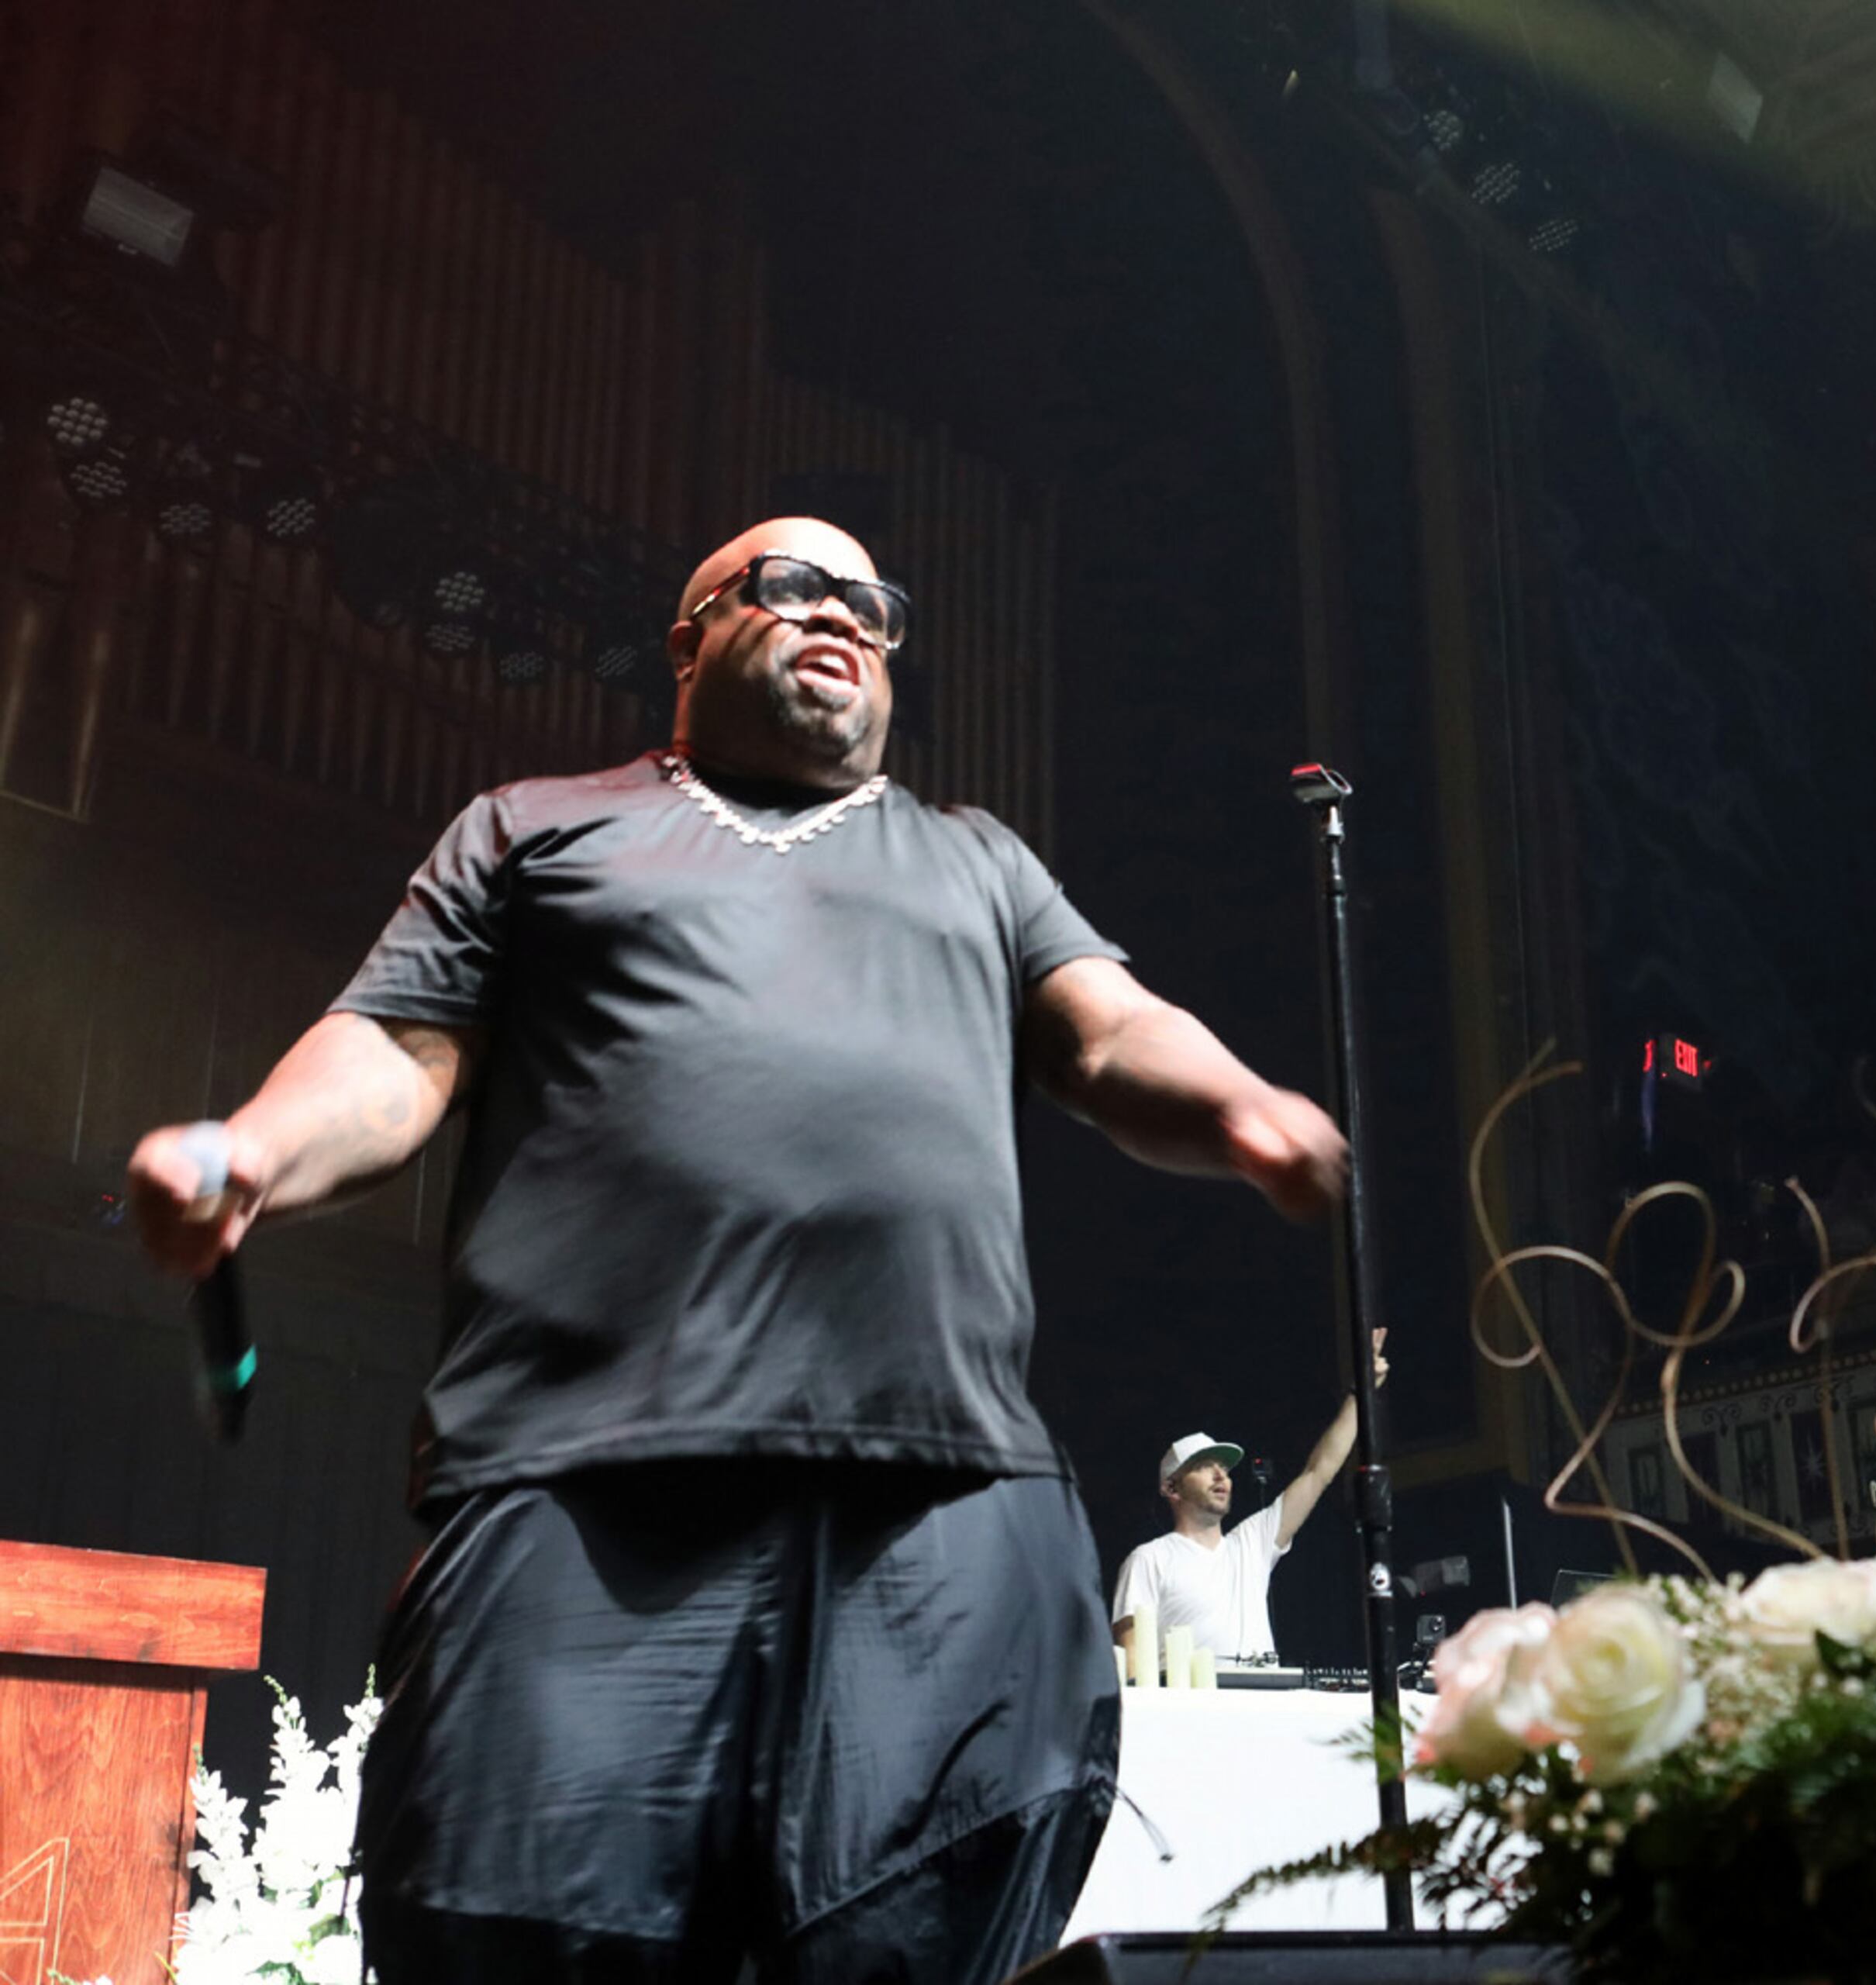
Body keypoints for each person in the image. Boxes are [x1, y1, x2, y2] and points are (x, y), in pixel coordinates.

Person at [122, 516, 1350, 1984]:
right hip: (587, 1481)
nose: (841, 612)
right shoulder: (540, 827)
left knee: (922, 1929)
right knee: (525, 1916)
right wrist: (253, 1151)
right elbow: (394, 1057)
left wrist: (1246, 1109)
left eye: (872, 604)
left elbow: (1110, 1029)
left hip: (941, 1501)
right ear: (690, 635)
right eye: (790, 585)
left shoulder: (977, 862)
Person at [1109, 1329, 1390, 1662]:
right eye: (1203, 1467)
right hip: (1190, 1713)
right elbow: (1131, 1667)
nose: (1220, 1475)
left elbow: (1318, 1473)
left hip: (1261, 1706)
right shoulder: (1149, 1559)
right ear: (1172, 1488)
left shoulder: (1250, 1544)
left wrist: (1360, 1395)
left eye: (1224, 1469)